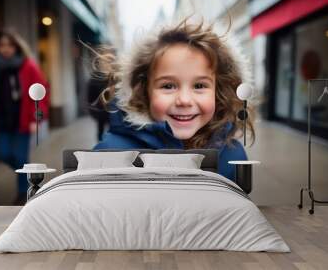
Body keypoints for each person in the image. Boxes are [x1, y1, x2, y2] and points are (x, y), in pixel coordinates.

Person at [92, 20, 255, 181]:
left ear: (218, 91)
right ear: (144, 91)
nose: (184, 100)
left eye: (199, 85)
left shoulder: (233, 155)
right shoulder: (110, 154)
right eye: (168, 86)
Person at [0, 29, 50, 200]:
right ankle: (31, 173)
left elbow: (41, 91)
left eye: (10, 45)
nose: (6, 48)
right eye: (2, 45)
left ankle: (23, 193)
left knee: (21, 156)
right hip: (2, 120)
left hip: (22, 119)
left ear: (16, 46)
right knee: (4, 154)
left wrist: (35, 118)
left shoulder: (27, 65)